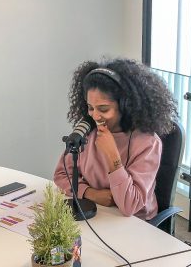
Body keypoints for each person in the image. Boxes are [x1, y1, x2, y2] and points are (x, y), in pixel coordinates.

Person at [53, 58, 177, 219]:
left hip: (134, 222)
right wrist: (90, 193)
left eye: (103, 109)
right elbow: (62, 175)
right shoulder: (87, 130)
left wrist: (112, 154)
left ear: (126, 106)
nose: (95, 116)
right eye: (90, 108)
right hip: (97, 211)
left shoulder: (147, 142)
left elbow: (130, 206)